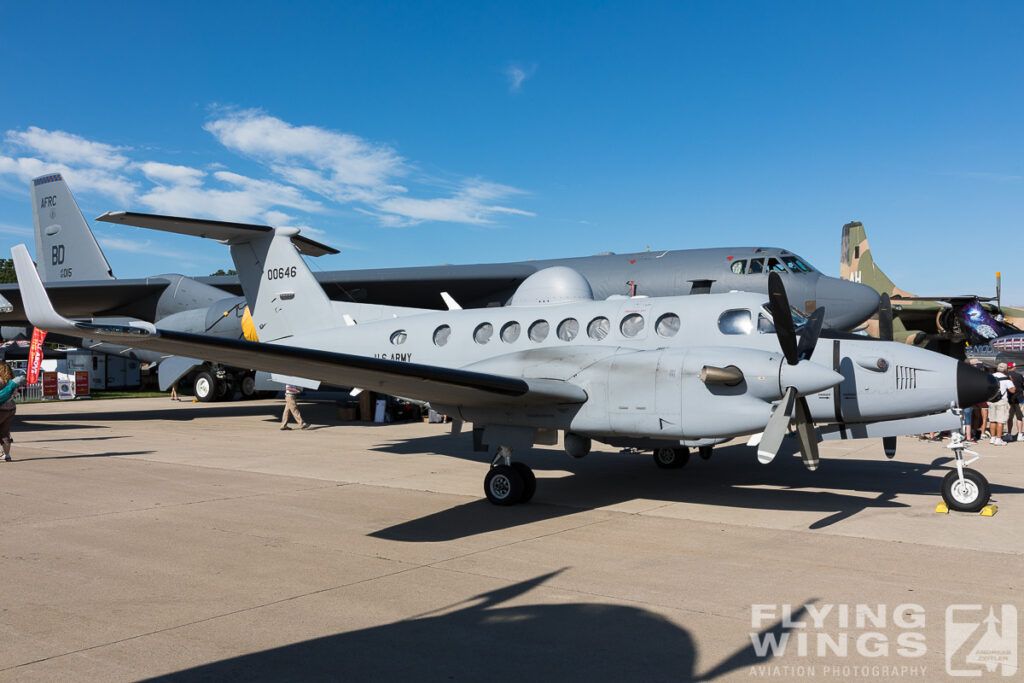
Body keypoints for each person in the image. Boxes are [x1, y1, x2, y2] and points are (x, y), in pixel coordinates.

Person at [0, 364, 27, 462]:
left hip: (1, 408)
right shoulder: (13, 382)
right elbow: (15, 395)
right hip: (11, 408)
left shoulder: (0, 381)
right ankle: (7, 455)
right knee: (5, 432)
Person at [987, 362, 1015, 445]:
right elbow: (1012, 390)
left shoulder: (990, 376)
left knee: (992, 420)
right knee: (1000, 421)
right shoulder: (1006, 378)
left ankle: (992, 438)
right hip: (1001, 401)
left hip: (991, 400)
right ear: (1006, 370)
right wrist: (1012, 381)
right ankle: (998, 439)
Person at [1006, 364, 1024, 441]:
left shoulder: (1005, 376)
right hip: (1019, 399)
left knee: (1010, 417)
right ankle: (1020, 434)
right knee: (1019, 417)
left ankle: (1009, 434)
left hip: (1009, 399)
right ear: (1014, 368)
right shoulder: (1019, 375)